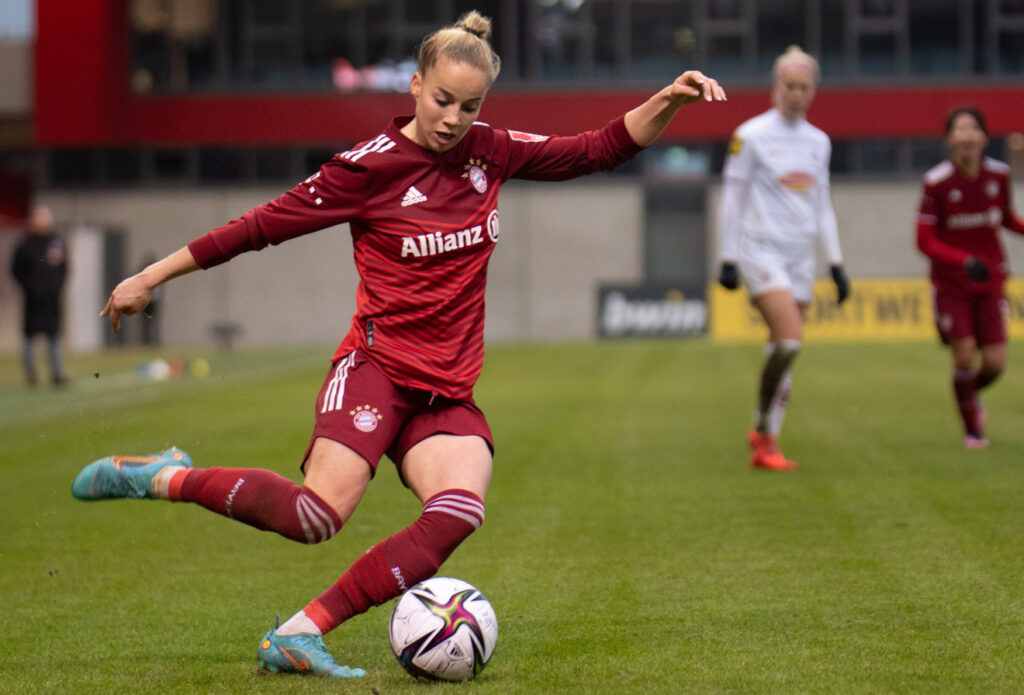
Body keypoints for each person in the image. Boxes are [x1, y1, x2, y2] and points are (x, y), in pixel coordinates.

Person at [70, 11, 726, 679]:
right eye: (442, 99)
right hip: (376, 370)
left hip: (446, 390)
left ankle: (300, 631)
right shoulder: (367, 169)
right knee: (314, 515)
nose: (453, 118)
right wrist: (149, 277)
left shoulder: (490, 151)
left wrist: (668, 99)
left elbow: (596, 148)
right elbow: (257, 227)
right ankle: (164, 475)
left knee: (460, 507)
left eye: (469, 106)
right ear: (415, 85)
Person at [716, 45, 849, 471]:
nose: (796, 93)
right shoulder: (750, 136)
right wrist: (727, 257)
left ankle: (764, 436)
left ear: (813, 91)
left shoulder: (819, 142)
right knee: (790, 339)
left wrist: (837, 263)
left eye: (804, 87)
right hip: (761, 250)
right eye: (789, 86)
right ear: (776, 88)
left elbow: (822, 204)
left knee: (782, 349)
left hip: (801, 257)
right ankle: (764, 432)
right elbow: (732, 198)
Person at [916, 106, 1024, 449]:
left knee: (994, 364)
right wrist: (962, 261)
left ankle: (968, 394)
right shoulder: (937, 183)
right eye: (959, 130)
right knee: (963, 354)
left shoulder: (1000, 176)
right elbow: (924, 239)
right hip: (952, 283)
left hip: (991, 280)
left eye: (973, 128)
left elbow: (1005, 217)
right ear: (949, 139)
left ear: (984, 137)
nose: (966, 135)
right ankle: (972, 431)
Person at [11, 205, 69, 387]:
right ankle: (30, 373)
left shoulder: (56, 242)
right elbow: (15, 269)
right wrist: (29, 286)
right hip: (32, 299)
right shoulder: (25, 245)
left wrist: (56, 286)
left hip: (51, 299)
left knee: (54, 334)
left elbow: (64, 268)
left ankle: (57, 372)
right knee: (29, 336)